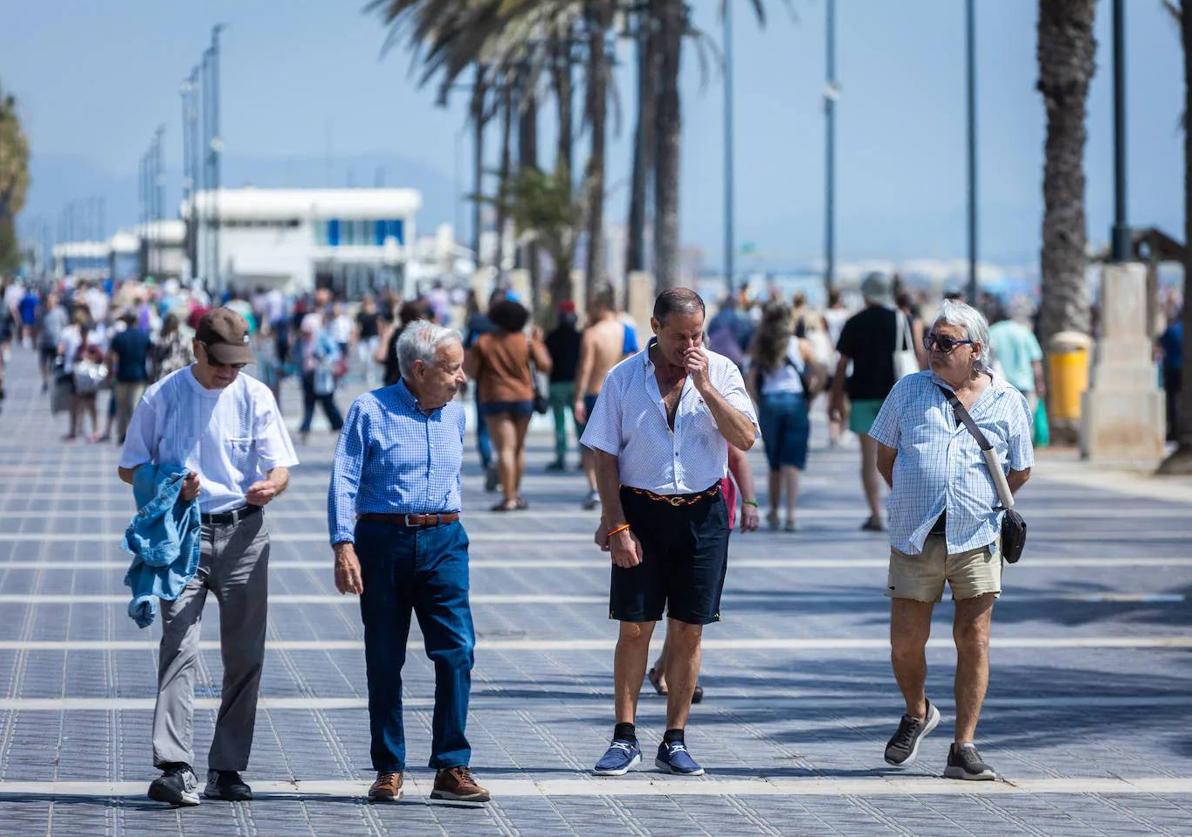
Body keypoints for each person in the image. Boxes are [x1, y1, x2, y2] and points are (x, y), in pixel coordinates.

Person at [117, 307, 298, 806]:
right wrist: (173, 483)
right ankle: (175, 766)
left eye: (238, 364)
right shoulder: (164, 395)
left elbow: (281, 466)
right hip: (185, 536)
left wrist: (270, 487)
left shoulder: (255, 396)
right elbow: (130, 466)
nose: (229, 372)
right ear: (197, 349)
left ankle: (227, 767)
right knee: (179, 646)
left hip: (245, 533)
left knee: (245, 656)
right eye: (221, 362)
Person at [581, 288, 758, 777]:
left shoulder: (721, 372)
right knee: (635, 628)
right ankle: (624, 736)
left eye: (697, 334)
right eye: (680, 335)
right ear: (655, 326)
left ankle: (675, 739)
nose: (689, 344)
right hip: (641, 512)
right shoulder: (622, 379)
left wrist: (707, 388)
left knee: (688, 629)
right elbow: (604, 456)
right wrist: (616, 524)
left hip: (703, 514)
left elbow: (744, 437)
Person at [327, 320, 491, 805]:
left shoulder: (456, 415)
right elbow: (344, 478)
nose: (461, 378)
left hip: (444, 539)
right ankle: (388, 767)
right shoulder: (369, 410)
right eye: (452, 369)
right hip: (383, 542)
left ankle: (451, 765)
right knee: (384, 657)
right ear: (419, 370)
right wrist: (343, 544)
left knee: (457, 651)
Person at [869, 300, 1033, 782]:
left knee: (974, 640)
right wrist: (917, 496)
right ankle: (917, 711)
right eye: (930, 341)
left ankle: (964, 745)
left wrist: (979, 499)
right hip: (916, 536)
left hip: (977, 535)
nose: (933, 350)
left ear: (975, 349)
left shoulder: (1007, 400)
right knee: (905, 644)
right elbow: (886, 458)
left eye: (945, 342)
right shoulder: (908, 390)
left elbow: (1020, 469)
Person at [646, 443, 760, 703]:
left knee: (690, 606)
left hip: (713, 515)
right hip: (667, 513)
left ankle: (672, 671)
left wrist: (750, 502)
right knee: (678, 605)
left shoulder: (712, 413)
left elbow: (737, 457)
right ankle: (668, 670)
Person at [829, 272, 900, 532]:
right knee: (898, 459)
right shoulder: (900, 320)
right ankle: (902, 508)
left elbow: (842, 364)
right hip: (895, 398)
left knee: (869, 459)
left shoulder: (855, 323)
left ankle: (875, 514)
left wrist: (835, 400)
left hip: (862, 397)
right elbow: (918, 356)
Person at [465, 299, 551, 511]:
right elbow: (545, 366)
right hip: (523, 398)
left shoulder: (484, 342)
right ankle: (516, 493)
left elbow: (472, 372)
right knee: (519, 448)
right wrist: (537, 343)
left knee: (504, 448)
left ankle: (508, 497)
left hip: (495, 398)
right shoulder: (526, 341)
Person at [748, 303, 822, 532]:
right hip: (795, 402)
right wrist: (811, 397)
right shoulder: (800, 345)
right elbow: (820, 371)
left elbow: (750, 379)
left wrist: (760, 402)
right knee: (792, 462)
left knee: (774, 462)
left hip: (770, 403)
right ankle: (790, 514)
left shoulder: (760, 345)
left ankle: (773, 511)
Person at [574, 289, 640, 510]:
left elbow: (585, 367)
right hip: (620, 393)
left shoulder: (592, 333)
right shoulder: (627, 331)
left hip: (595, 392)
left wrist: (578, 397)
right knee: (618, 445)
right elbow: (633, 361)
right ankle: (617, 487)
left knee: (589, 447)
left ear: (600, 307)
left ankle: (594, 488)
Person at [989, 297, 1047, 416]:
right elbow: (1035, 362)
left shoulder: (992, 331)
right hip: (1024, 386)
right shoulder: (1025, 332)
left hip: (1000, 386)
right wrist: (1040, 384)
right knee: (1024, 424)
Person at [544, 300, 582, 471]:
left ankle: (561, 457)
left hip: (557, 384)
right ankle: (584, 456)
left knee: (559, 423)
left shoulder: (551, 337)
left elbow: (545, 363)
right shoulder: (580, 337)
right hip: (575, 384)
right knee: (580, 423)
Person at [298, 304, 345, 443]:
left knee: (326, 402)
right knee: (311, 402)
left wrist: (323, 358)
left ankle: (339, 426)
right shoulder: (308, 337)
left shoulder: (323, 335)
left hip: (320, 373)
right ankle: (306, 428)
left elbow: (335, 353)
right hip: (310, 372)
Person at [108, 310, 152, 444]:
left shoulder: (119, 337)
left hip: (122, 375)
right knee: (134, 407)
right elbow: (150, 355)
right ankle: (134, 435)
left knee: (121, 407)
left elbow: (112, 357)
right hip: (139, 376)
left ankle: (122, 434)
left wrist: (111, 373)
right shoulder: (144, 336)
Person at [1157, 312, 1184, 441]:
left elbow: (1160, 342)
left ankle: (1173, 430)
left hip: (1170, 368)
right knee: (1180, 400)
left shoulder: (1170, 330)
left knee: (1171, 401)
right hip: (1183, 369)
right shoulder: (1184, 330)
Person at [38, 292, 68, 393]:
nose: (50, 301)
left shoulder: (61, 312)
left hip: (57, 342)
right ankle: (45, 381)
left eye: (52, 299)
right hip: (44, 342)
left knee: (55, 364)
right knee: (43, 363)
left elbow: (65, 327)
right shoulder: (42, 311)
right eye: (48, 299)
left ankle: (54, 381)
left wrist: (63, 343)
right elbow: (38, 325)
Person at [152, 313, 194, 382]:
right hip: (177, 376)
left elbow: (154, 360)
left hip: (164, 376)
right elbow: (191, 359)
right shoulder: (184, 339)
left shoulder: (159, 340)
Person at [354, 294, 382, 385]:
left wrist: (381, 337)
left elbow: (379, 326)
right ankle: (365, 372)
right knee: (362, 357)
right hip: (363, 338)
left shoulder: (376, 314)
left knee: (370, 358)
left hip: (373, 338)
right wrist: (355, 337)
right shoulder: (360, 314)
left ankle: (370, 374)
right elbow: (357, 327)